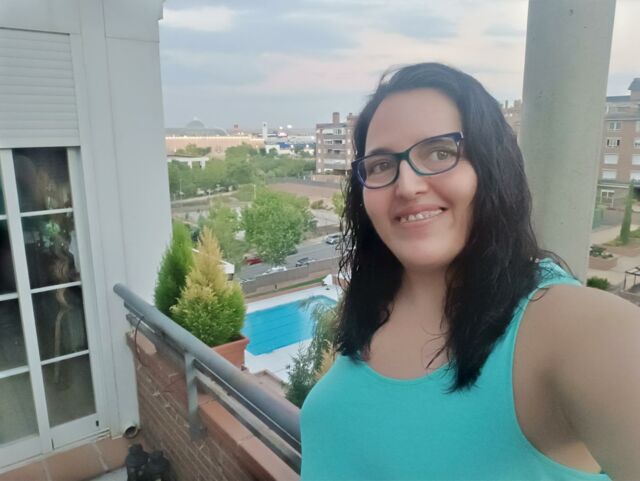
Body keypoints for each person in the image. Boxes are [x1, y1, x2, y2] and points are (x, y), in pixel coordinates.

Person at [299, 63, 640, 480]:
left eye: (440, 153)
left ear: (493, 167)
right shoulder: (374, 302)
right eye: (382, 165)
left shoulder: (569, 327)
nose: (406, 186)